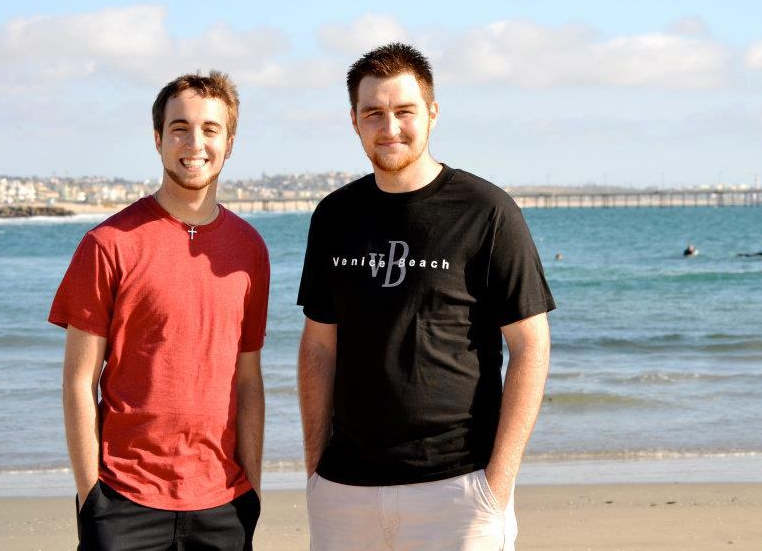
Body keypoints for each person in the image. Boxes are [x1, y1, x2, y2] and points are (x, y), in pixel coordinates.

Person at [297, 43, 555, 550]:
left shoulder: (487, 211)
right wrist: (316, 475)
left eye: (404, 111)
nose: (389, 127)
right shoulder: (334, 216)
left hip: (458, 488)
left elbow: (531, 346)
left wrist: (497, 486)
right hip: (344, 491)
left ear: (432, 113)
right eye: (373, 113)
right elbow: (318, 347)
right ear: (354, 121)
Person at [49, 71, 269, 550]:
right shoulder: (107, 244)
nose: (195, 143)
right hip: (123, 501)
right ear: (158, 138)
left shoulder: (250, 249)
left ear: (229, 143)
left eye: (210, 129)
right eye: (180, 128)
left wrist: (252, 488)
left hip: (224, 503)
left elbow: (248, 379)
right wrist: (91, 498)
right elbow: (79, 381)